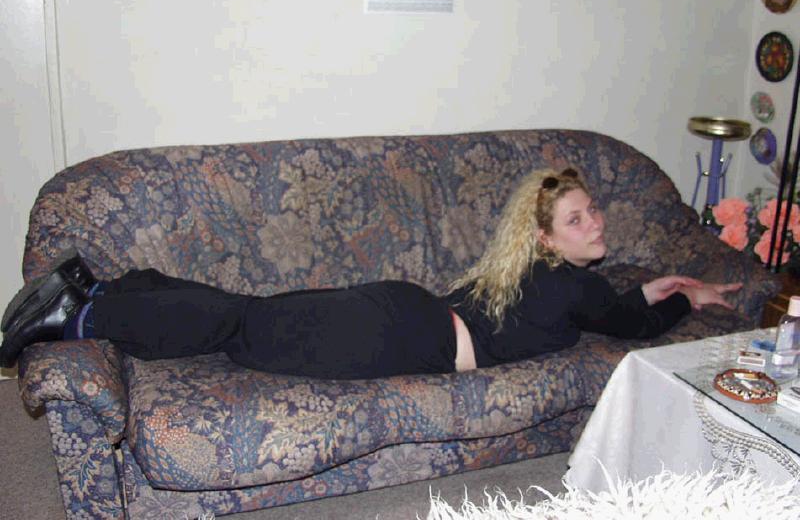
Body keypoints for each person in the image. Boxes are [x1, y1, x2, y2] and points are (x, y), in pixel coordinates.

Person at [0, 168, 740, 378]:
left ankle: (103, 287)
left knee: (246, 313)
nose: (597, 223)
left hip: (401, 312)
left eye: (594, 211)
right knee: (241, 327)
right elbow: (633, 325)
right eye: (578, 218)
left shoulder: (534, 269)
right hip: (405, 336)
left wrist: (663, 286)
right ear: (545, 235)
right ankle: (80, 315)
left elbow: (621, 305)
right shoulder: (576, 285)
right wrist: (689, 299)